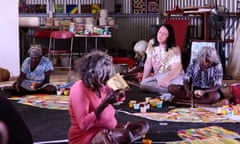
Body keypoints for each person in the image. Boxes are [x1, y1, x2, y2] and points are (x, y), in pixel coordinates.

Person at [68, 50, 149, 144]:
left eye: (108, 74)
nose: (107, 78)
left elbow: (121, 96)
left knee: (143, 125)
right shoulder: (79, 89)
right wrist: (104, 104)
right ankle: (122, 139)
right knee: (124, 135)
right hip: (88, 136)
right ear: (92, 74)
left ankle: (122, 139)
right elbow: (84, 125)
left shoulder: (101, 83)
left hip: (109, 128)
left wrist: (119, 91)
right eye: (104, 74)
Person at [140, 24, 184, 94]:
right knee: (143, 84)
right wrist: (144, 79)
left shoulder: (174, 49)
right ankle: (171, 89)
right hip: (159, 76)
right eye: (159, 32)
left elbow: (177, 68)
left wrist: (166, 79)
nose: (160, 35)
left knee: (148, 85)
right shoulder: (152, 43)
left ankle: (175, 88)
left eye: (164, 34)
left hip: (172, 76)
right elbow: (148, 63)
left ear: (169, 37)